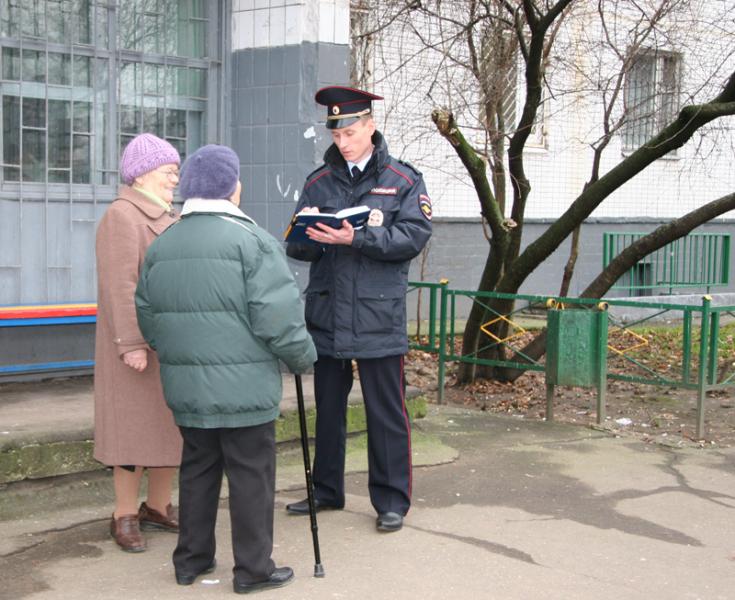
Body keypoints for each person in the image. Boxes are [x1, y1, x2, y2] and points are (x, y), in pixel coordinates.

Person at [135, 144, 317, 593]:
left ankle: (190, 561)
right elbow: (277, 316)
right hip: (244, 391)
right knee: (251, 475)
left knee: (197, 470)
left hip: (187, 387)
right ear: (233, 188)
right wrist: (302, 357)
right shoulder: (252, 242)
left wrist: (178, 353)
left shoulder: (165, 243)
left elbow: (148, 314)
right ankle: (253, 570)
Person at [285, 86, 432, 533]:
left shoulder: (404, 180)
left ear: (370, 126)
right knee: (327, 409)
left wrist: (357, 238)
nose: (342, 141)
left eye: (350, 131)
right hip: (328, 315)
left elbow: (413, 237)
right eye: (337, 133)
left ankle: (391, 501)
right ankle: (326, 490)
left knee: (384, 411)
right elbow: (294, 246)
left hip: (376, 316)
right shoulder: (317, 182)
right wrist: (310, 233)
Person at [94, 133, 183, 553]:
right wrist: (131, 342)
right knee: (130, 433)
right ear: (143, 174)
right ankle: (124, 513)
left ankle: (159, 506)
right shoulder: (122, 215)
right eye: (169, 171)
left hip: (166, 346)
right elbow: (119, 285)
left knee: (167, 430)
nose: (175, 179)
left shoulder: (170, 216)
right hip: (133, 348)